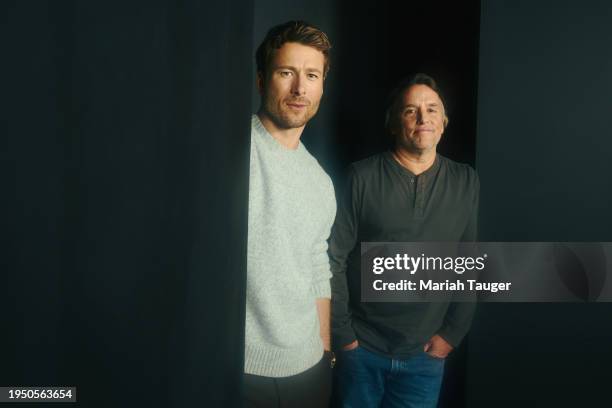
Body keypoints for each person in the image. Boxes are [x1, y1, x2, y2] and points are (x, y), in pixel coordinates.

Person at [330, 73, 479, 408]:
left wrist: (452, 334)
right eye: (411, 110)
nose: (423, 118)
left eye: (432, 109)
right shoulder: (361, 177)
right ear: (394, 123)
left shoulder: (466, 181)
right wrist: (344, 337)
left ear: (444, 122)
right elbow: (334, 258)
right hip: (362, 350)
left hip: (425, 356)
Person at [244, 20, 336, 408]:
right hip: (240, 369)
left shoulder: (321, 181)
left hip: (308, 368)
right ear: (263, 80)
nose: (300, 88)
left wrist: (324, 348)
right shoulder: (232, 150)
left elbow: (318, 266)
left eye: (311, 75)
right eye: (287, 73)